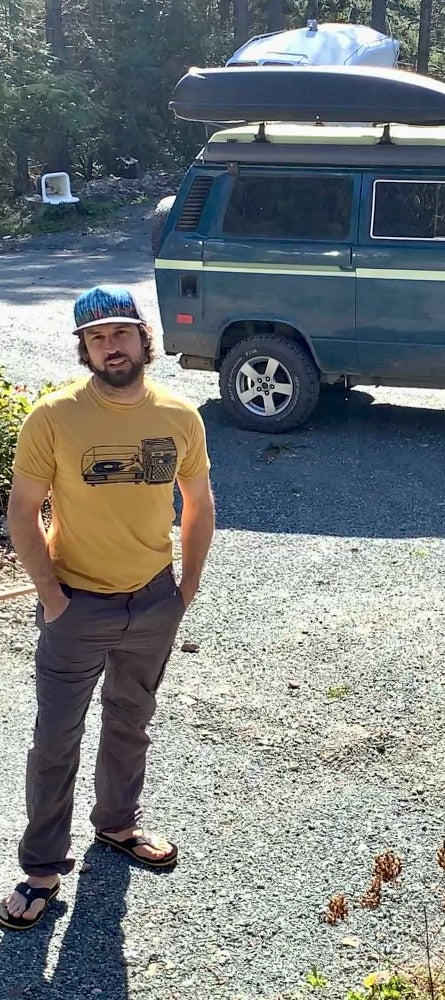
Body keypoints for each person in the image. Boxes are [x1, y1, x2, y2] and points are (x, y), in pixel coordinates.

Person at [0, 285, 215, 931]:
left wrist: (185, 591)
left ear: (143, 338)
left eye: (120, 333)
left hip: (153, 600)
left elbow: (199, 504)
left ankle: (118, 825)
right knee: (55, 739)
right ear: (84, 348)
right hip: (78, 606)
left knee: (131, 721)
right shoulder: (54, 416)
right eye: (96, 337)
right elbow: (22, 510)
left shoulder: (180, 416)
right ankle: (40, 868)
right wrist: (52, 598)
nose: (110, 346)